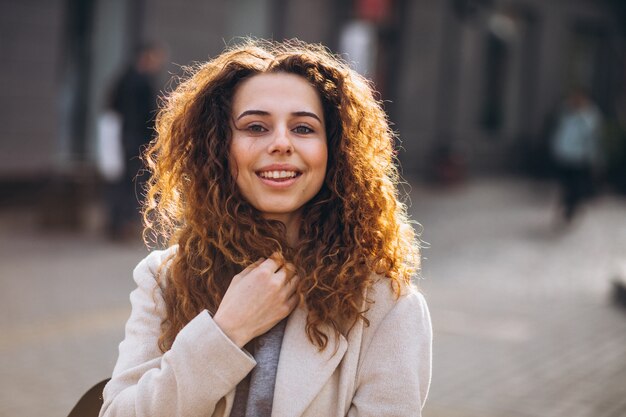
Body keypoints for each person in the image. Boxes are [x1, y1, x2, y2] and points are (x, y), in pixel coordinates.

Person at [99, 39, 432, 417]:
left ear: (335, 149)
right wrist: (226, 331)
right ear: (221, 147)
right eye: (256, 126)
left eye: (303, 128)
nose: (280, 143)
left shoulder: (386, 302)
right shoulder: (165, 279)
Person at [103, 42, 166, 239]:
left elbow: (111, 105)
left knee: (122, 182)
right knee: (135, 182)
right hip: (139, 140)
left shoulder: (124, 78)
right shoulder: (143, 81)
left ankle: (116, 223)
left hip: (123, 137)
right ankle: (126, 223)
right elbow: (150, 115)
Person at [551, 87, 603, 224]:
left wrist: (592, 157)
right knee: (566, 185)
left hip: (580, 157)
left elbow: (591, 137)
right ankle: (568, 207)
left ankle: (571, 209)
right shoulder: (566, 112)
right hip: (565, 155)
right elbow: (560, 133)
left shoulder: (589, 115)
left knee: (576, 186)